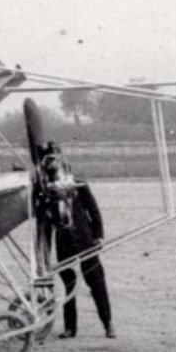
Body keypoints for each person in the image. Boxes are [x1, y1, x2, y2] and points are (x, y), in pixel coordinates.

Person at [39, 143, 115, 340]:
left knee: (96, 281)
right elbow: (45, 224)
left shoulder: (78, 184)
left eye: (53, 159)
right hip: (63, 241)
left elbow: (93, 210)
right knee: (68, 284)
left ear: (61, 159)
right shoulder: (45, 191)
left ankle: (108, 324)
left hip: (84, 239)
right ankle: (70, 328)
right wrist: (45, 253)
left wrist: (98, 236)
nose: (50, 163)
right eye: (46, 160)